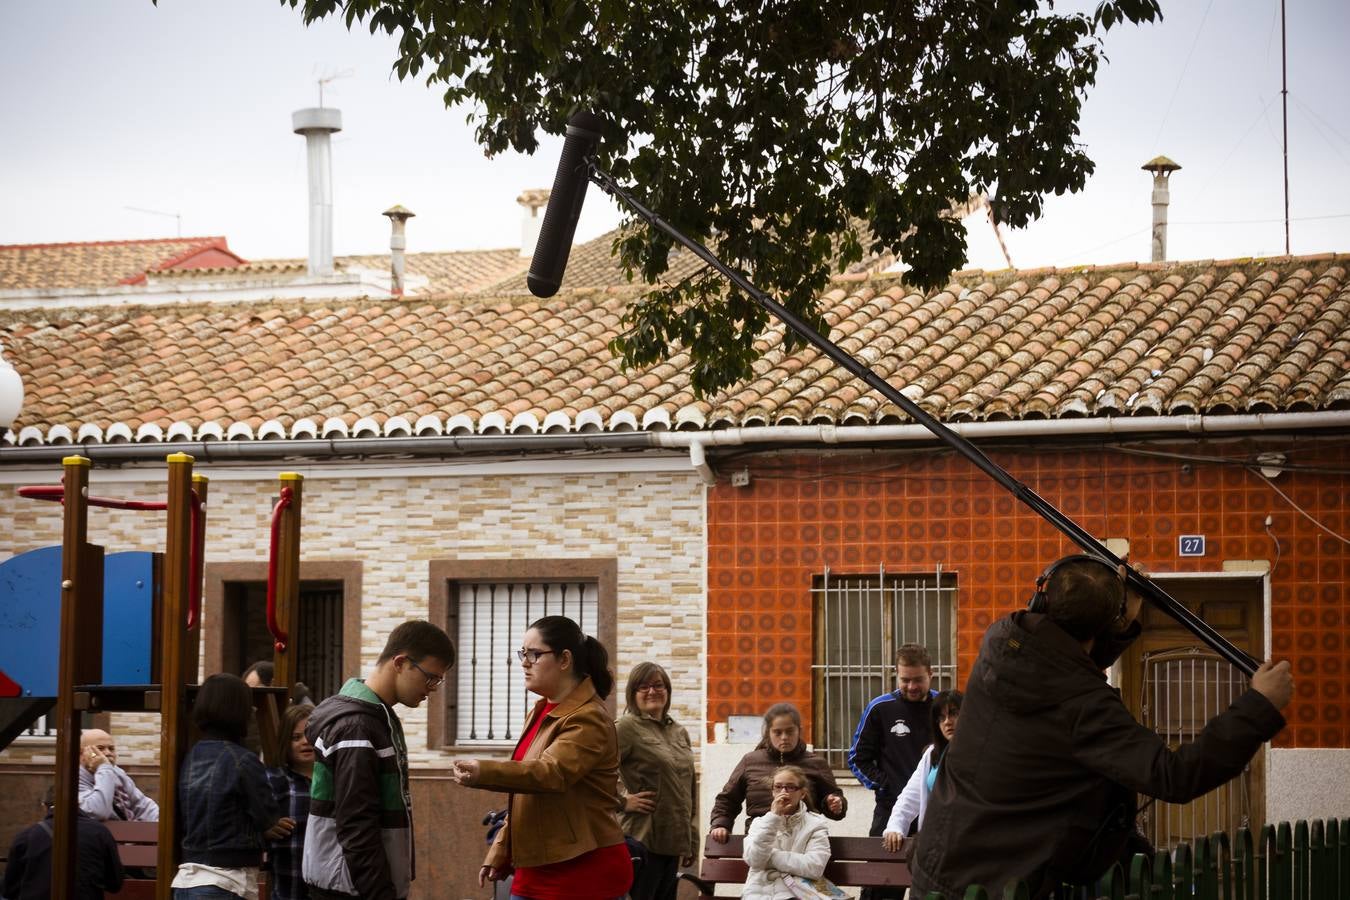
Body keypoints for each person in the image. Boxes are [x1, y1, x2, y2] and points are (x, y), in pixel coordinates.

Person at [911, 554, 1293, 900]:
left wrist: (1121, 618)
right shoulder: (1086, 705)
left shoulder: (1001, 642)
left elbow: (1063, 666)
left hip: (940, 868)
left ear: (1042, 599)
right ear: (1101, 629)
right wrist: (1257, 707)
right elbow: (1175, 776)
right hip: (999, 886)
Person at [450, 615, 634, 900]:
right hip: (537, 867)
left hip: (583, 872)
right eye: (523, 653)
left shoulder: (588, 718)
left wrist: (483, 772)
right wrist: (501, 849)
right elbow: (527, 795)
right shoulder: (541, 712)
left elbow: (550, 774)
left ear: (564, 660)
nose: (524, 662)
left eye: (534, 654)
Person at [302, 619, 454, 900]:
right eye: (430, 677)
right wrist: (380, 892)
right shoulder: (357, 726)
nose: (432, 688)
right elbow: (356, 824)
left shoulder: (374, 717)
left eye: (438, 681)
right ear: (400, 662)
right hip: (350, 888)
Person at [171, 672, 295, 899]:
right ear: (240, 711)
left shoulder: (189, 756)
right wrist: (271, 825)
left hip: (186, 881)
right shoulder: (243, 760)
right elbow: (269, 819)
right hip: (226, 882)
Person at [615, 662, 697, 900]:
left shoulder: (679, 732)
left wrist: (691, 838)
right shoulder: (625, 728)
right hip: (642, 841)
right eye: (644, 686)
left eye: (658, 685)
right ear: (632, 693)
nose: (652, 691)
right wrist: (621, 801)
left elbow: (689, 788)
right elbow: (592, 773)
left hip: (672, 842)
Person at [710, 703, 847, 842]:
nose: (784, 737)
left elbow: (833, 800)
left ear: (799, 731)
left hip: (803, 841)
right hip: (761, 839)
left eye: (789, 731)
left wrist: (835, 805)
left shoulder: (816, 763)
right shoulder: (750, 761)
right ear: (768, 732)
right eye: (777, 732)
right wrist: (721, 824)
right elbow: (728, 799)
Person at [848, 644, 936, 842]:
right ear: (896, 674)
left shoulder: (943, 708)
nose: (912, 687)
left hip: (935, 809)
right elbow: (857, 758)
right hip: (890, 809)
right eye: (905, 680)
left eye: (918, 680)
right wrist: (884, 785)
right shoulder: (880, 708)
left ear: (931, 674)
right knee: (880, 869)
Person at [2, 784, 124, 900]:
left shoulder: (26, 836)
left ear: (44, 806)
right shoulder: (100, 832)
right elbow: (115, 884)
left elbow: (9, 889)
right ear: (78, 803)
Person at [882, 689, 961, 850]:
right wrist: (895, 827)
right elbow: (909, 798)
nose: (947, 722)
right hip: (935, 845)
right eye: (941, 717)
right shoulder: (932, 755)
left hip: (968, 845)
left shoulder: (981, 754)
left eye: (953, 714)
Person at [740, 765, 831, 900]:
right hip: (757, 894)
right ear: (772, 792)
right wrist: (773, 817)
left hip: (797, 893)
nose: (784, 792)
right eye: (778, 787)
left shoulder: (815, 824)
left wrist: (770, 857)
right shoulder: (760, 823)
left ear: (802, 793)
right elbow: (754, 859)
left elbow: (814, 867)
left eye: (790, 787)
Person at [267, 702, 316, 900]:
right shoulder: (274, 780)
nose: (305, 741)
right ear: (284, 743)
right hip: (288, 888)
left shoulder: (336, 781)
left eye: (310, 734)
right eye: (296, 737)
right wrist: (266, 829)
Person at [78, 727, 160, 821]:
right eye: (100, 748)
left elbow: (142, 805)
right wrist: (104, 769)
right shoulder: (74, 778)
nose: (108, 753)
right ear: (82, 753)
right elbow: (97, 812)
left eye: (111, 748)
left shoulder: (116, 772)